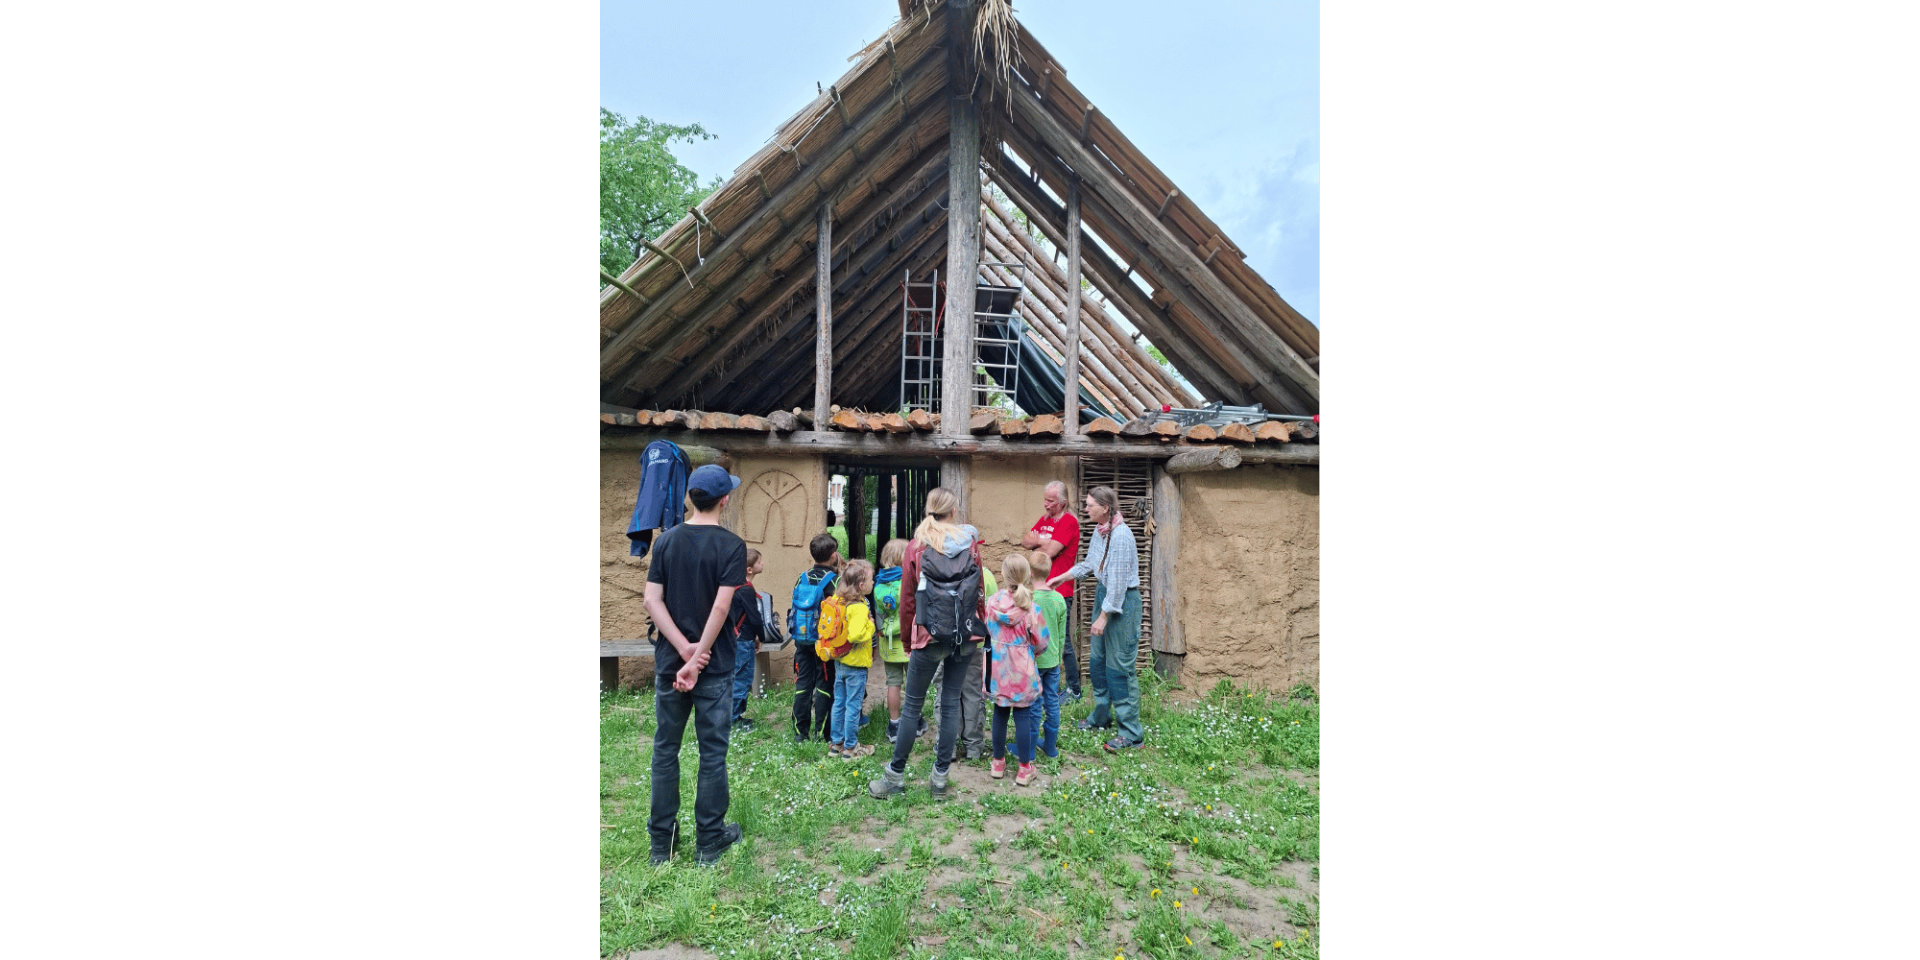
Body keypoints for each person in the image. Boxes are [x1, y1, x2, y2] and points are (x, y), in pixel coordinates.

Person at [642, 464, 748, 865]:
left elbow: (652, 600)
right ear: (725, 501)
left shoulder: (666, 541)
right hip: (713, 665)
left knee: (665, 750)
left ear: (689, 497)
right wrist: (698, 654)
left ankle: (661, 846)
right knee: (712, 753)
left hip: (671, 663)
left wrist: (683, 650)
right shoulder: (731, 545)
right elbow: (721, 607)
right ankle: (709, 841)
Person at [868, 487, 990, 800]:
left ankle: (895, 777)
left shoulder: (917, 546)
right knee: (950, 704)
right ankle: (939, 781)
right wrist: (977, 626)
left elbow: (908, 600)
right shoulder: (970, 545)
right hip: (964, 635)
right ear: (954, 511)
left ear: (928, 509)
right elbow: (978, 592)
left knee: (912, 707)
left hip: (929, 635)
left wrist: (909, 641)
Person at [1046, 485, 1144, 753]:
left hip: (1122, 601)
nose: (1086, 508)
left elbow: (1119, 585)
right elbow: (1090, 564)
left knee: (1119, 667)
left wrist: (1103, 617)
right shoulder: (1101, 531)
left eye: (1090, 505)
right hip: (1105, 595)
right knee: (1098, 662)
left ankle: (1131, 733)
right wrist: (1061, 577)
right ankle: (1101, 716)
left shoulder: (1121, 536)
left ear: (1105, 508)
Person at [986, 554, 1048, 786]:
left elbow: (987, 630)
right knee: (1023, 716)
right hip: (1022, 670)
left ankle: (998, 763)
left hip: (998, 669)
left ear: (1003, 575)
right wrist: (1030, 652)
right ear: (1028, 575)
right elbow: (1041, 642)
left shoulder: (992, 604)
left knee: (1000, 713)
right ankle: (1024, 769)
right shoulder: (1031, 608)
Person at [1022, 481, 1082, 701]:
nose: (1046, 504)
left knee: (1061, 642)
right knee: (1038, 637)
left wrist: (1039, 542)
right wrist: (1043, 541)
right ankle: (1046, 687)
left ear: (1062, 503)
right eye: (1045, 499)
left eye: (1050, 501)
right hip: (1040, 589)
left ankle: (1074, 689)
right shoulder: (1046, 519)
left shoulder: (1069, 521)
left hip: (1059, 590)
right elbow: (1025, 541)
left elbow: (1048, 553)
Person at [790, 534, 841, 743]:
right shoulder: (835, 581)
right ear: (833, 555)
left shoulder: (801, 578)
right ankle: (822, 734)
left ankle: (800, 733)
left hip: (802, 640)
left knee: (802, 685)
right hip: (824, 644)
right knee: (824, 686)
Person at [873, 539, 924, 744]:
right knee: (913, 684)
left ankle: (894, 725)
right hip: (909, 641)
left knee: (893, 684)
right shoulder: (909, 581)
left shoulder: (878, 583)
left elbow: (878, 615)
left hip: (888, 643)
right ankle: (916, 721)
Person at [829, 560, 877, 759]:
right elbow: (856, 635)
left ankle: (836, 744)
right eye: (871, 580)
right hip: (856, 664)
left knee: (839, 703)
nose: (873, 583)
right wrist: (871, 625)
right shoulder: (858, 607)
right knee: (853, 706)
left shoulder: (839, 600)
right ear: (861, 585)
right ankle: (850, 748)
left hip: (840, 661)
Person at [1028, 547, 1069, 759]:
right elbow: (1062, 634)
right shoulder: (1059, 599)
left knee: (1034, 705)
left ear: (1030, 573)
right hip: (1052, 660)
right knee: (1052, 701)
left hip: (1033, 661)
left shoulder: (1028, 599)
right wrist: (1058, 656)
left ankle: (1029, 750)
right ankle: (1050, 747)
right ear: (1049, 572)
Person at [728, 549, 767, 731]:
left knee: (737, 677)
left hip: (735, 639)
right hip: (743, 641)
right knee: (741, 679)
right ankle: (733, 720)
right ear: (749, 569)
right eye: (759, 562)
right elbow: (754, 617)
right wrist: (761, 637)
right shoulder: (746, 589)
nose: (762, 564)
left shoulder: (734, 586)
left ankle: (734, 716)